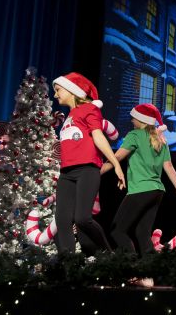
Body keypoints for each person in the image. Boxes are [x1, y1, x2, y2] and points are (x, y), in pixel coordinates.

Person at [101, 104, 176, 258]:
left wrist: (97, 172)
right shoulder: (161, 140)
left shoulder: (134, 135)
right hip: (157, 191)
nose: (131, 120)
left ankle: (135, 269)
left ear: (141, 119)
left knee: (118, 231)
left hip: (140, 190)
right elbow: (169, 167)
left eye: (133, 117)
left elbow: (117, 157)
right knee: (142, 233)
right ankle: (148, 274)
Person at [53, 72, 126, 256]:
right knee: (62, 219)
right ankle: (68, 265)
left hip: (87, 170)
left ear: (71, 91)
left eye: (58, 90)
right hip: (66, 174)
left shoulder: (89, 109)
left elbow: (98, 136)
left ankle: (110, 256)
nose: (55, 95)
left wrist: (115, 164)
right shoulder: (70, 115)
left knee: (82, 218)